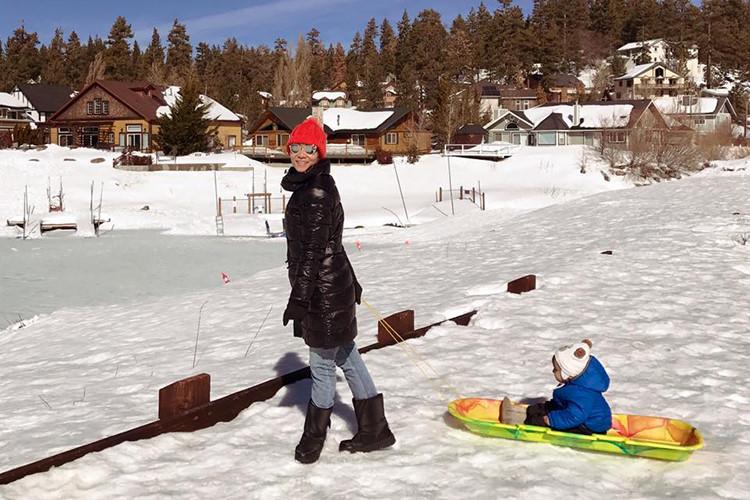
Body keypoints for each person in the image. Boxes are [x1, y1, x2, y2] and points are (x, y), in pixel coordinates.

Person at [281, 117, 396, 464]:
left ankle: (313, 439)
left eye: (308, 148)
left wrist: (300, 299)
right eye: (295, 147)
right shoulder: (313, 185)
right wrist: (352, 282)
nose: (301, 154)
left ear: (319, 152)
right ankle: (375, 429)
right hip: (333, 285)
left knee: (321, 364)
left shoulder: (315, 192)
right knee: (346, 354)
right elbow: (333, 244)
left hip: (323, 292)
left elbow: (313, 252)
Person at [500, 339, 612, 435]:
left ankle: (516, 420)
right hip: (574, 412)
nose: (553, 371)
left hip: (587, 426)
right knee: (543, 408)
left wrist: (552, 420)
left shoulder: (583, 394)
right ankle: (522, 412)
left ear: (568, 373)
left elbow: (575, 416)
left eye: (556, 369)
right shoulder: (577, 383)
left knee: (540, 421)